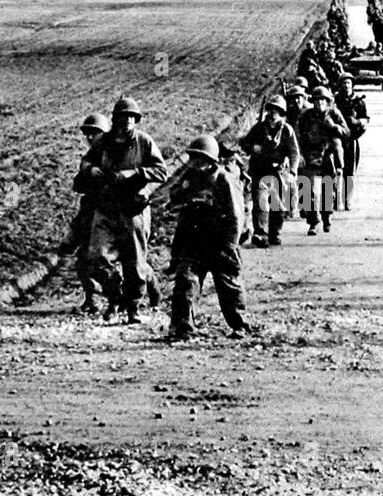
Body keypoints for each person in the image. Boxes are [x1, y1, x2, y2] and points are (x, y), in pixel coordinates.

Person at [83, 96, 168, 324]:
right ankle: (115, 296)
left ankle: (132, 308)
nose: (127, 121)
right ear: (115, 119)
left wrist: (137, 174)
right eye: (122, 117)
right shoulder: (103, 141)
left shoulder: (144, 142)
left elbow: (161, 171)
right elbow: (85, 163)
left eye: (131, 117)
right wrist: (91, 170)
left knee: (135, 263)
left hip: (132, 210)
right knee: (95, 259)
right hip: (106, 208)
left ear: (136, 120)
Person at [166, 135, 254, 341]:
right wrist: (184, 192)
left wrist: (230, 244)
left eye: (201, 159)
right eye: (193, 158)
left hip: (219, 240)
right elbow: (174, 194)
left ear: (211, 161)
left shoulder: (223, 179)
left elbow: (235, 215)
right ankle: (182, 327)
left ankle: (240, 324)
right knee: (186, 281)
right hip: (194, 239)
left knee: (228, 285)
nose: (195, 163)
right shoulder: (189, 177)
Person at [63, 114, 111, 313]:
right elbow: (78, 185)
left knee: (123, 258)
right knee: (83, 257)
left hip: (110, 214)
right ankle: (92, 299)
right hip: (90, 212)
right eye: (88, 134)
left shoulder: (115, 155)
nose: (91, 138)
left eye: (96, 133)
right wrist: (88, 171)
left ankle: (143, 292)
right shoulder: (89, 158)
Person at [240, 94, 299, 248]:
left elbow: (294, 152)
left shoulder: (286, 130)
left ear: (282, 114)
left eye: (277, 111)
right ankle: (260, 234)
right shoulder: (259, 128)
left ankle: (275, 233)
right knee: (261, 203)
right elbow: (245, 143)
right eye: (271, 110)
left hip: (278, 172)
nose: (273, 114)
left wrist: (293, 170)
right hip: (260, 171)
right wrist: (253, 147)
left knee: (278, 205)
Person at [296, 86, 349, 235]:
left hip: (329, 155)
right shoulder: (306, 116)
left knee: (328, 188)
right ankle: (313, 222)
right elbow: (298, 136)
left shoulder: (334, 114)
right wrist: (300, 154)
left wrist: (334, 127)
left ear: (328, 101)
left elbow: (346, 132)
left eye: (323, 100)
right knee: (307, 189)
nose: (320, 103)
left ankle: (326, 217)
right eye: (317, 101)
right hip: (311, 155)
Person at [335, 77, 370, 210]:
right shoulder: (336, 100)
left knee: (350, 171)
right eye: (344, 83)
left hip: (352, 139)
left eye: (349, 83)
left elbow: (365, 118)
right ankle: (335, 199)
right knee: (336, 170)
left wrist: (359, 123)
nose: (346, 85)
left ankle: (348, 199)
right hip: (337, 139)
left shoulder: (359, 101)